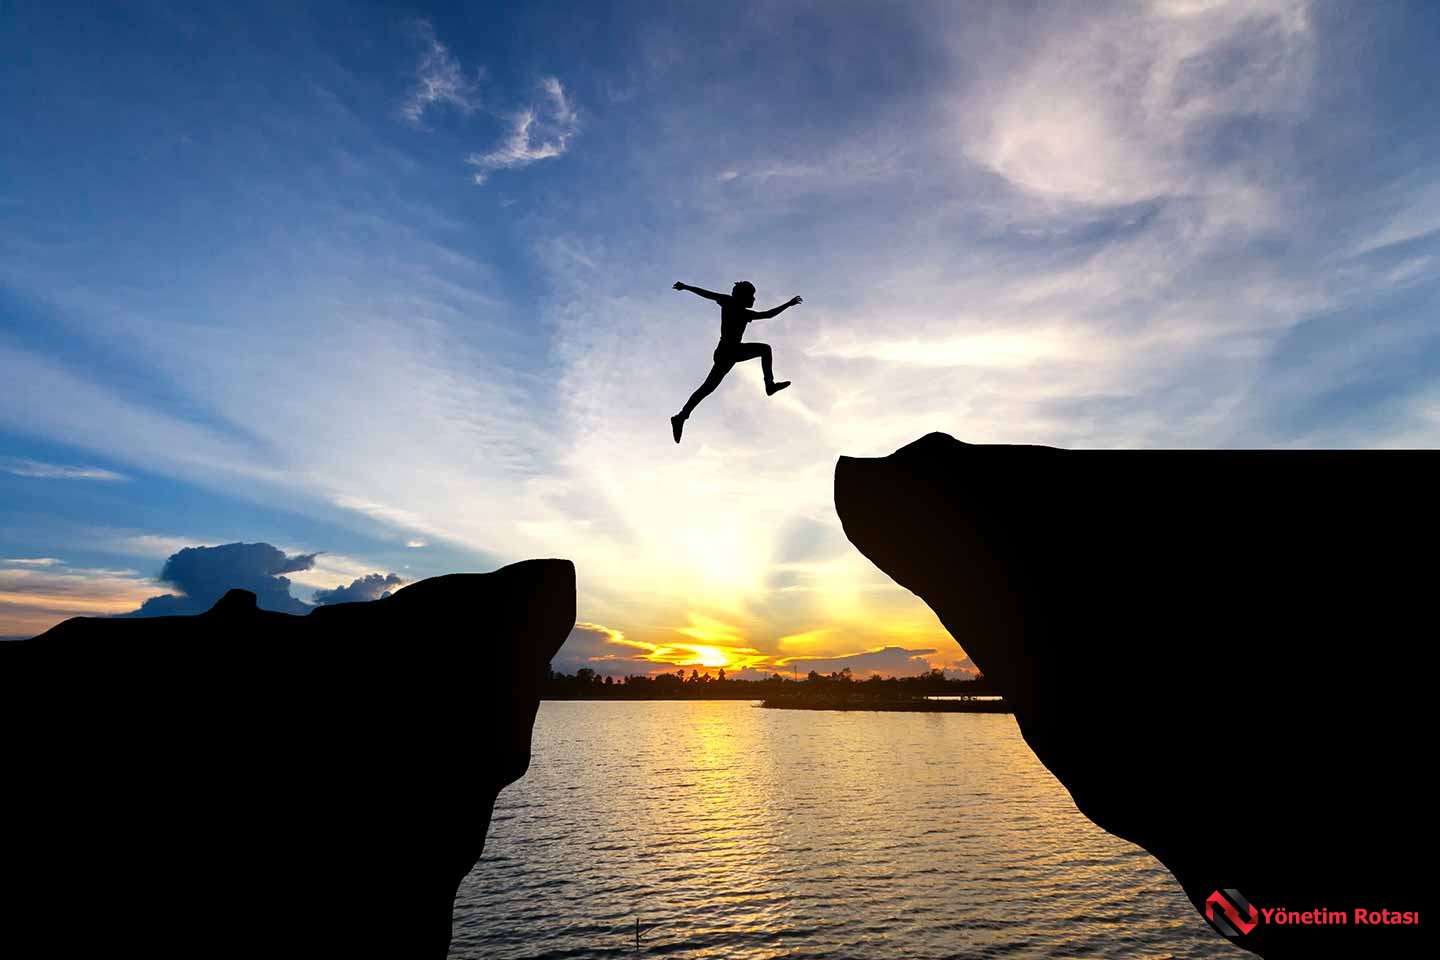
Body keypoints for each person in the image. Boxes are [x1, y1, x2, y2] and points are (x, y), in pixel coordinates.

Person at [670, 280, 803, 443]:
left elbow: (767, 315)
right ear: (742, 296)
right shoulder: (728, 302)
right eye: (752, 296)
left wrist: (788, 304)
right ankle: (769, 385)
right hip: (727, 351)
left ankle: (681, 417)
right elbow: (706, 293)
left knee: (708, 387)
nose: (754, 299)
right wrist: (686, 287)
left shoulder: (744, 312)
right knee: (763, 350)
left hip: (731, 352)